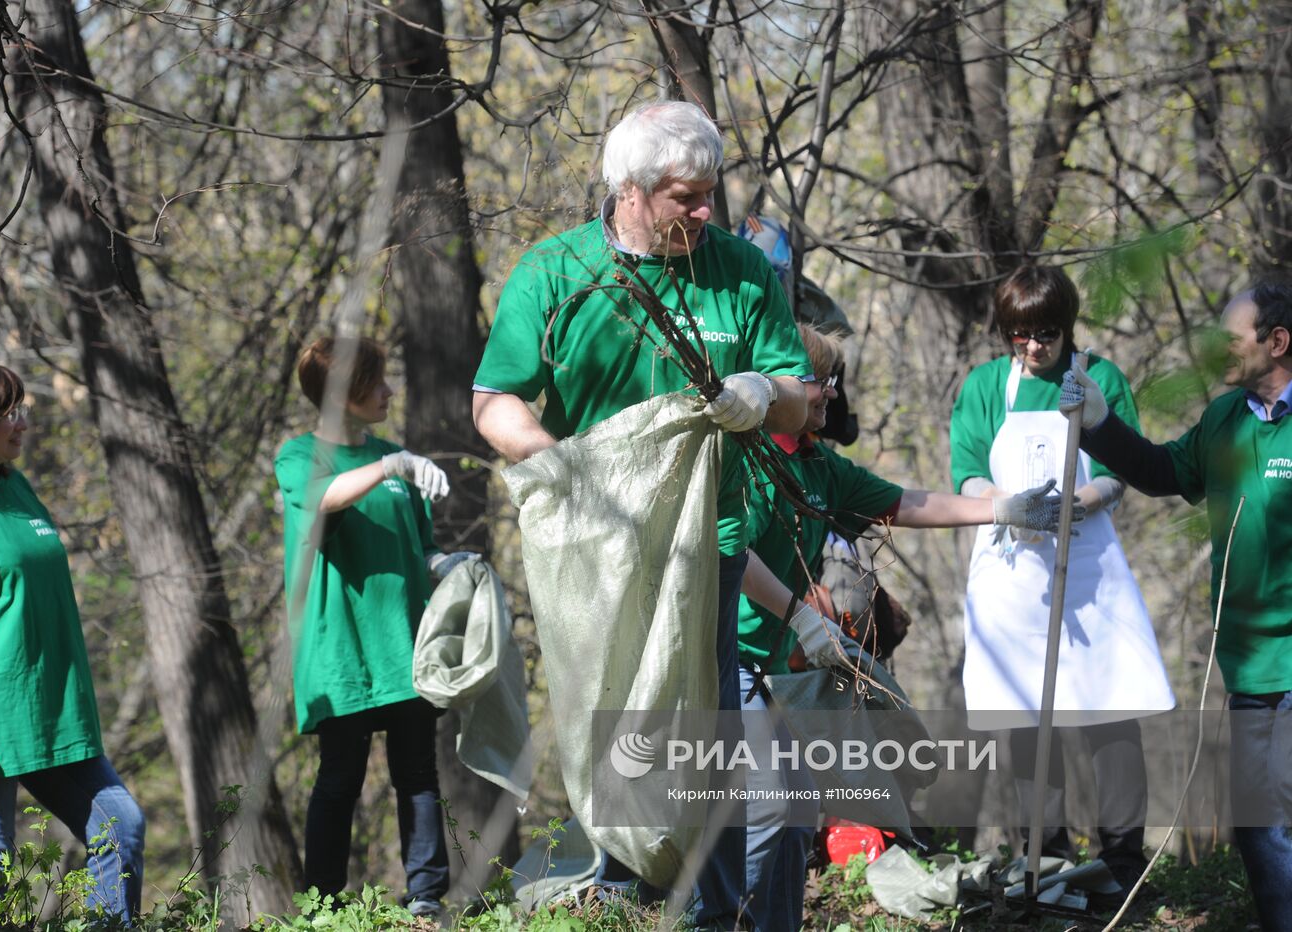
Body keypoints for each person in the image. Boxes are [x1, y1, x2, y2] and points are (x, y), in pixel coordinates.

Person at [471, 100, 811, 928]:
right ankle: (624, 902)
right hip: (601, 553)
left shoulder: (740, 271)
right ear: (629, 190)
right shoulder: (558, 272)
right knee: (619, 738)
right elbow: (494, 400)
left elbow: (800, 398)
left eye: (708, 194)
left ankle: (709, 915)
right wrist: (559, 465)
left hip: (712, 548)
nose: (703, 212)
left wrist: (764, 393)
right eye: (683, 198)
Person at [735, 324, 1082, 932]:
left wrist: (1002, 507)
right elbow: (731, 554)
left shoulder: (821, 469)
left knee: (792, 812)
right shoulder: (745, 460)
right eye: (823, 382)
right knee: (765, 807)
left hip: (782, 665)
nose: (831, 397)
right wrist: (797, 612)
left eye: (834, 383)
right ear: (784, 387)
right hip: (728, 658)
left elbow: (907, 504)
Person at [1062, 282, 1292, 927]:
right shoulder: (1225, 418)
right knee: (1258, 829)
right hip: (1249, 665)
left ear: (1277, 342)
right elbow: (1164, 472)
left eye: (1232, 337)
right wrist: (1101, 423)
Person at [949, 265, 1173, 890]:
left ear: (1067, 326)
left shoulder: (1097, 378)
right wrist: (1005, 503)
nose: (1032, 347)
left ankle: (1124, 865)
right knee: (1025, 716)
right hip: (1012, 570)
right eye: (1018, 335)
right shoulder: (987, 386)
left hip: (1089, 569)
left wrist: (1088, 499)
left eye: (1045, 333)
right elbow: (965, 469)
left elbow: (1120, 467)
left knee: (1112, 706)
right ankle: (1045, 858)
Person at [275, 336, 474, 915]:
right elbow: (322, 499)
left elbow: (422, 549)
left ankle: (426, 901)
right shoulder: (299, 456)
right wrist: (389, 465)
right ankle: (323, 910)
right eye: (376, 382)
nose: (389, 390)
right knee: (339, 781)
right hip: (341, 653)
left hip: (403, 649)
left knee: (418, 777)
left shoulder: (393, 456)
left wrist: (448, 564)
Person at [0, 359, 146, 919]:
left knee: (121, 826)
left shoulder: (17, 486)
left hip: (52, 708)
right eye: (7, 412)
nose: (22, 421)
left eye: (22, 408)